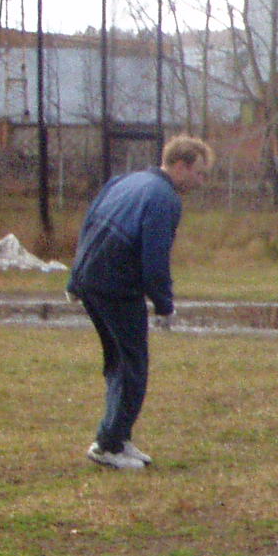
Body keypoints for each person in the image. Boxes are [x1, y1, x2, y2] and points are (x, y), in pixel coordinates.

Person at [66, 134, 213, 471]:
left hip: (91, 280)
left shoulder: (125, 181)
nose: (201, 181)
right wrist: (164, 304)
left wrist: (74, 279)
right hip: (117, 286)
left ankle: (118, 437)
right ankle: (108, 446)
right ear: (181, 166)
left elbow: (89, 224)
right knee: (132, 366)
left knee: (118, 362)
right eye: (199, 173)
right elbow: (154, 256)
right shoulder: (164, 198)